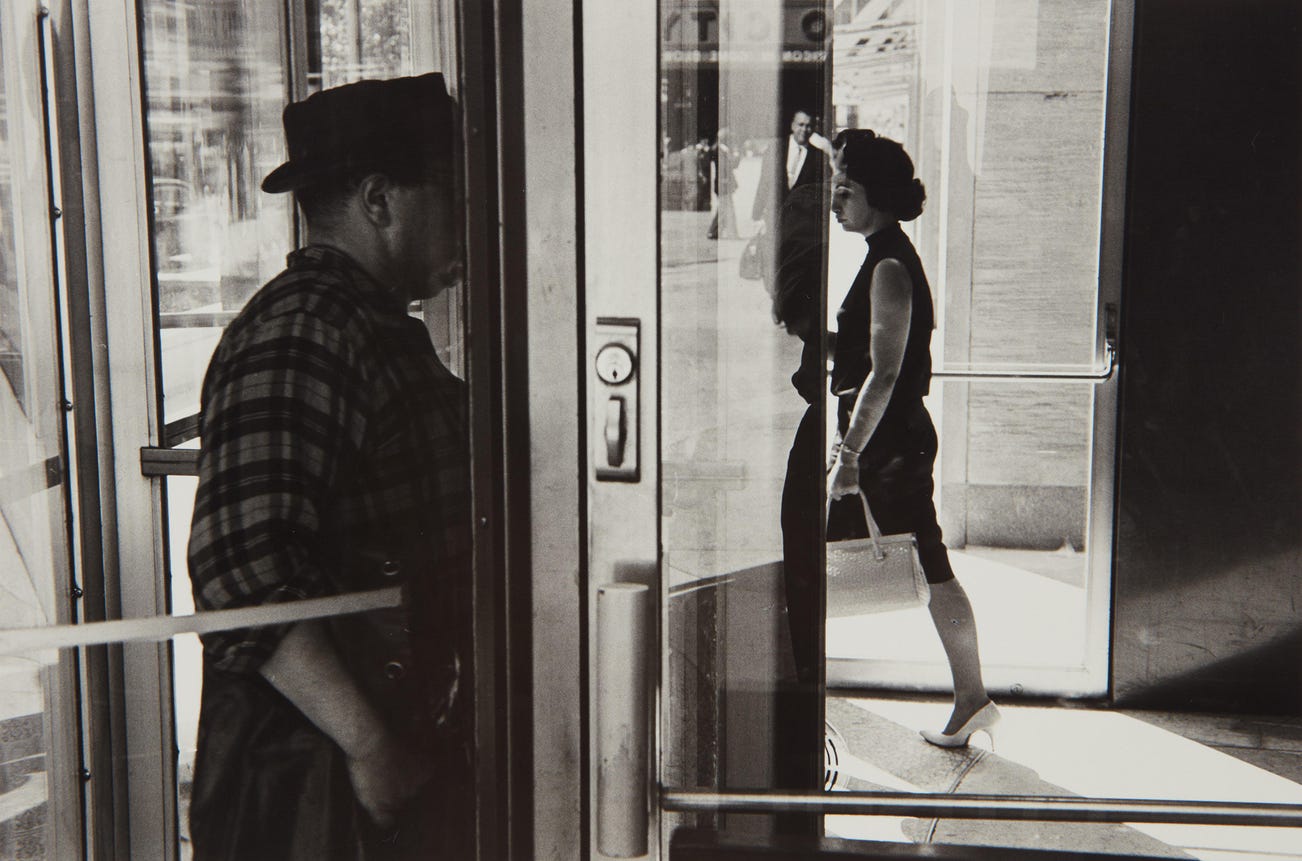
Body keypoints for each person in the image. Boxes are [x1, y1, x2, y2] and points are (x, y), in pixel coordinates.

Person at [185, 73, 472, 859]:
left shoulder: (364, 323)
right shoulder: (306, 330)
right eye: (455, 195)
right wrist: (371, 745)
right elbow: (241, 566)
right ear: (380, 200)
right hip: (322, 796)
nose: (471, 223)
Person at [825, 129, 999, 747]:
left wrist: (849, 455)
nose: (834, 199)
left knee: (928, 564)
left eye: (845, 187)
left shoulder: (889, 266)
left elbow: (886, 372)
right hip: (889, 437)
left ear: (876, 194)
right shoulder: (884, 255)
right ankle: (972, 698)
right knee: (927, 562)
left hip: (888, 442)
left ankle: (973, 698)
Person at [751, 109, 833, 292]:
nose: (804, 129)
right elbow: (764, 183)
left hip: (801, 224)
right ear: (792, 126)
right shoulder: (775, 149)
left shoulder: (820, 157)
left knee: (793, 269)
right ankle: (775, 297)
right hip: (774, 220)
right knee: (771, 266)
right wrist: (756, 215)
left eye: (809, 126)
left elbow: (824, 193)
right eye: (801, 125)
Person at [705, 127, 739, 240]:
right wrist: (735, 154)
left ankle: (714, 232)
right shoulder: (720, 150)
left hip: (723, 182)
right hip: (723, 182)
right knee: (727, 208)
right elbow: (727, 166)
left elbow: (733, 165)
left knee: (724, 208)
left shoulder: (721, 149)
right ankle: (730, 233)